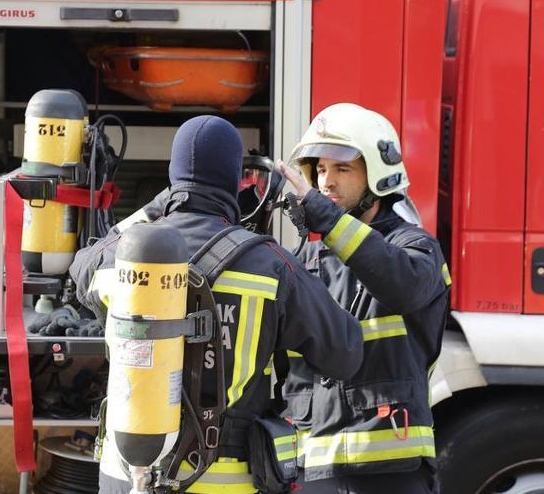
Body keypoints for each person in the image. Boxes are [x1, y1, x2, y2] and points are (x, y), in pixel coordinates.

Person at [69, 114, 365, 494]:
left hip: (125, 477)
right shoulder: (273, 266)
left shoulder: (120, 257)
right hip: (222, 481)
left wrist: (157, 207)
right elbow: (346, 354)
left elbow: (81, 267)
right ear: (233, 179)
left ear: (173, 177)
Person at [277, 103, 452, 494]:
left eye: (342, 169)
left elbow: (400, 285)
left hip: (391, 472)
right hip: (314, 471)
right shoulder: (304, 261)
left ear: (378, 177)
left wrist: (330, 223)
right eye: (320, 169)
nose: (326, 182)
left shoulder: (416, 249)